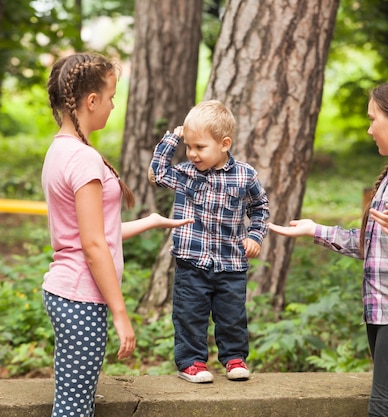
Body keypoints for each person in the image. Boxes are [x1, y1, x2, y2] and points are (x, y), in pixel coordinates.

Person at [269, 78, 388, 417]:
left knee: (383, 411)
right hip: (382, 312)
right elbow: (369, 244)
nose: (370, 129)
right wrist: (316, 229)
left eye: (373, 119)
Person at [41, 52, 193, 417]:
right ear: (91, 101)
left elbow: (93, 233)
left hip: (67, 292)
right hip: (82, 297)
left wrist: (152, 220)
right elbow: (93, 246)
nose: (112, 105)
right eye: (111, 96)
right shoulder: (83, 159)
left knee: (71, 403)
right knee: (75, 409)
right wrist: (120, 312)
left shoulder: (61, 150)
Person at [148, 100, 270, 383]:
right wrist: (173, 138)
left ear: (224, 143)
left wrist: (255, 235)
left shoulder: (245, 176)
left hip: (231, 264)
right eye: (189, 146)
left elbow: (260, 208)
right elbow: (158, 173)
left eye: (200, 147)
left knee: (232, 315)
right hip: (192, 262)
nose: (192, 154)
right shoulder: (186, 174)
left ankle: (234, 358)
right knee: (190, 315)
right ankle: (191, 363)